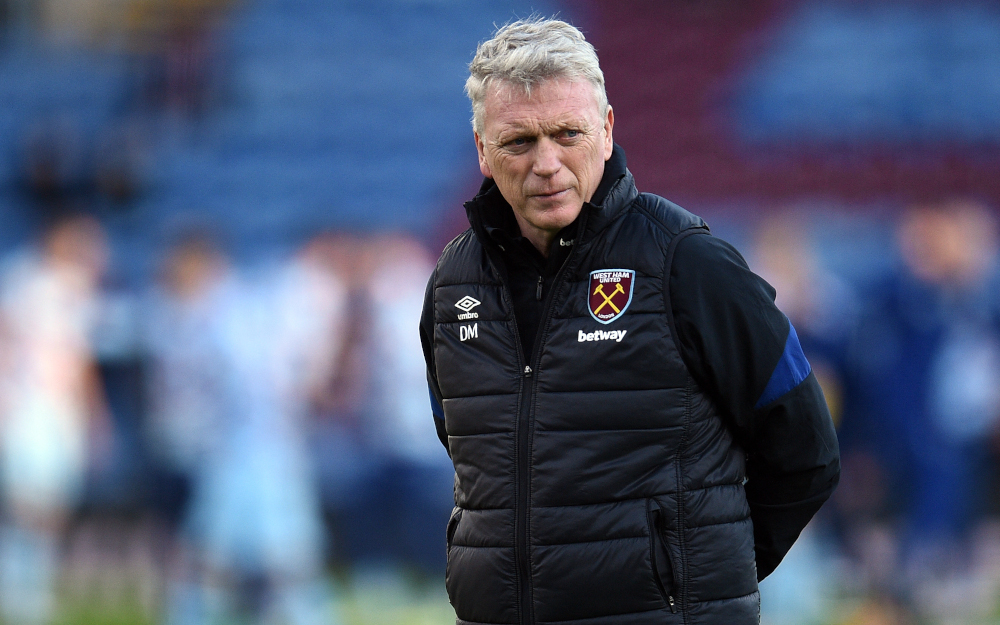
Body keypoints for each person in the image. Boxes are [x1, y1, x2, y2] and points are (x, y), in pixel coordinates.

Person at [418, 17, 840, 624]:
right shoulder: (452, 285)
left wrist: (700, 577)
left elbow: (807, 450)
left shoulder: (690, 264)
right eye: (519, 142)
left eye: (568, 134)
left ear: (608, 130)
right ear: (482, 149)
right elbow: (466, 449)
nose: (547, 162)